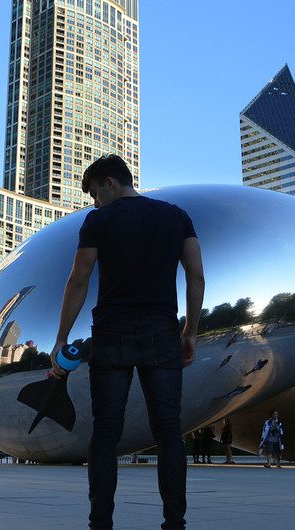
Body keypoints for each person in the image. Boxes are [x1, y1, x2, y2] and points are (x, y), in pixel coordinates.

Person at [49, 154, 205, 530]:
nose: (94, 203)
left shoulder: (99, 221)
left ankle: (100, 523)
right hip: (161, 332)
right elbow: (196, 276)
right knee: (168, 430)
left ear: (110, 183)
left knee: (106, 431)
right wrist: (190, 331)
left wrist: (61, 338)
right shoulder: (177, 216)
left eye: (94, 193)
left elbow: (78, 280)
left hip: (112, 332)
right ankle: (175, 523)